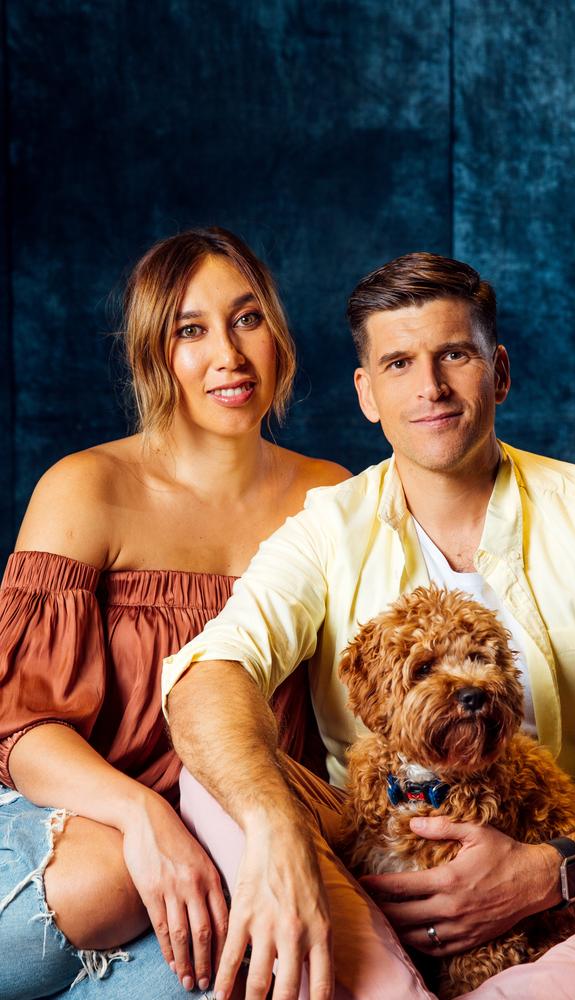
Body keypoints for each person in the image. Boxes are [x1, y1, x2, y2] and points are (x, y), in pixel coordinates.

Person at [163, 251, 575, 1000]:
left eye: (455, 354)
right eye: (398, 363)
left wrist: (555, 868)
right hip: (378, 872)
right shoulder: (328, 527)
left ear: (501, 372)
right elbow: (211, 673)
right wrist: (277, 833)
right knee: (215, 780)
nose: (429, 388)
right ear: (366, 392)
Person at [0, 226, 349, 1000]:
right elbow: (21, 727)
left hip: (235, 846)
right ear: (154, 354)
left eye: (246, 317)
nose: (228, 352)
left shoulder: (332, 496)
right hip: (82, 814)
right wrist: (141, 821)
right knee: (105, 884)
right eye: (190, 329)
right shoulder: (87, 487)